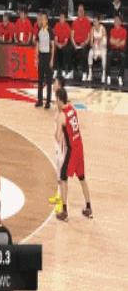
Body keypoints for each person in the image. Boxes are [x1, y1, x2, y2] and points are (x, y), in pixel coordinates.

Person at [55, 88, 93, 221]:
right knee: (82, 178)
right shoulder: (72, 108)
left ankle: (64, 212)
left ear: (59, 99)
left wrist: (57, 125)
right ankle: (88, 208)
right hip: (80, 147)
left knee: (63, 178)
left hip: (73, 151)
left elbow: (58, 138)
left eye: (56, 99)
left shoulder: (62, 115)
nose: (55, 102)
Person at [49, 75, 66, 212]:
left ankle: (61, 200)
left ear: (59, 84)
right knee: (58, 171)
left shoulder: (61, 105)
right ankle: (58, 195)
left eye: (55, 82)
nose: (53, 84)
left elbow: (63, 126)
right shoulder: (57, 102)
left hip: (61, 143)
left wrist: (58, 137)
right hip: (57, 142)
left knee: (61, 172)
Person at [35, 12, 55, 109]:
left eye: (43, 19)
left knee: (48, 81)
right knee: (40, 80)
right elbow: (37, 45)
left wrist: (51, 59)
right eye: (41, 19)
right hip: (41, 56)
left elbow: (53, 46)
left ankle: (48, 102)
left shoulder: (50, 31)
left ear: (46, 20)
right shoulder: (39, 31)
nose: (42, 21)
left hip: (48, 56)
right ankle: (39, 100)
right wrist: (36, 58)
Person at [71, 4, 91, 81]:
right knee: (69, 50)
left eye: (82, 10)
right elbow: (72, 35)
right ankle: (72, 71)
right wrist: (74, 45)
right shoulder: (74, 22)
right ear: (77, 12)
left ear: (84, 11)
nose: (81, 12)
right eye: (79, 10)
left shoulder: (87, 21)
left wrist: (85, 43)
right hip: (76, 43)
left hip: (84, 43)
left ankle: (84, 72)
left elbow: (89, 36)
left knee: (83, 52)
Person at [107, 15, 127, 86]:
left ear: (120, 22)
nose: (115, 22)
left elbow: (123, 43)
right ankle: (108, 76)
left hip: (121, 50)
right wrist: (118, 41)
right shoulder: (112, 30)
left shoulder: (124, 30)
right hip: (113, 49)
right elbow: (111, 41)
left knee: (123, 56)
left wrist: (115, 41)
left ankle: (120, 76)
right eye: (114, 20)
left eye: (117, 20)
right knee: (108, 55)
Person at [87, 15, 107, 83]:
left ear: (99, 21)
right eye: (93, 21)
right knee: (90, 53)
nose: (94, 23)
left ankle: (103, 74)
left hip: (102, 47)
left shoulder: (103, 28)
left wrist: (99, 43)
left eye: (95, 21)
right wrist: (94, 48)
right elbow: (91, 42)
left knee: (103, 55)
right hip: (95, 47)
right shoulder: (92, 29)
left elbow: (105, 40)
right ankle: (90, 73)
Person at [53, 12, 72, 78]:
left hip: (65, 43)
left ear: (65, 19)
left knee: (65, 50)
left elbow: (66, 41)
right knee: (55, 50)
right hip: (58, 43)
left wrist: (61, 45)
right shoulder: (57, 25)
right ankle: (55, 70)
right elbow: (55, 38)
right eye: (60, 18)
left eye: (62, 18)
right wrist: (58, 44)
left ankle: (64, 70)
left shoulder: (67, 26)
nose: (61, 19)